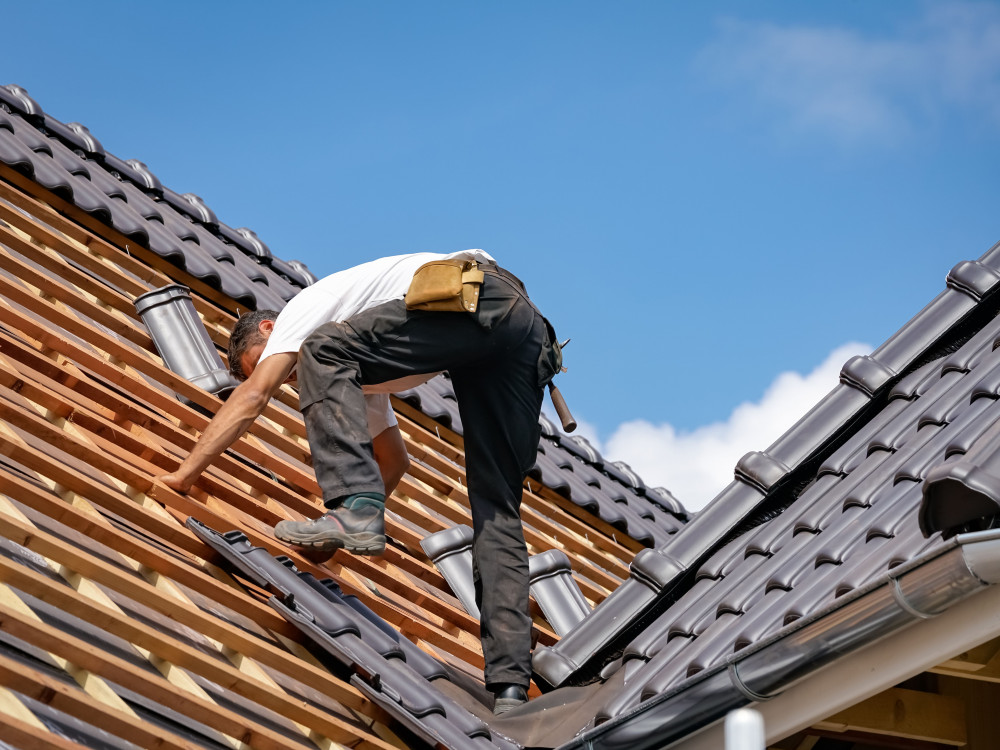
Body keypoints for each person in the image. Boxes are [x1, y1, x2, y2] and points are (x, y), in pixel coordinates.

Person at [157, 249, 562, 715]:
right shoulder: (358, 367)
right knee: (497, 508)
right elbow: (393, 460)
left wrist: (184, 475)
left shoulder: (302, 314)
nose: (288, 379)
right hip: (521, 331)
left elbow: (254, 395)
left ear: (269, 332)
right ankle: (511, 686)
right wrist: (338, 536)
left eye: (273, 364)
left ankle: (354, 511)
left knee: (321, 348)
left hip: (476, 294)